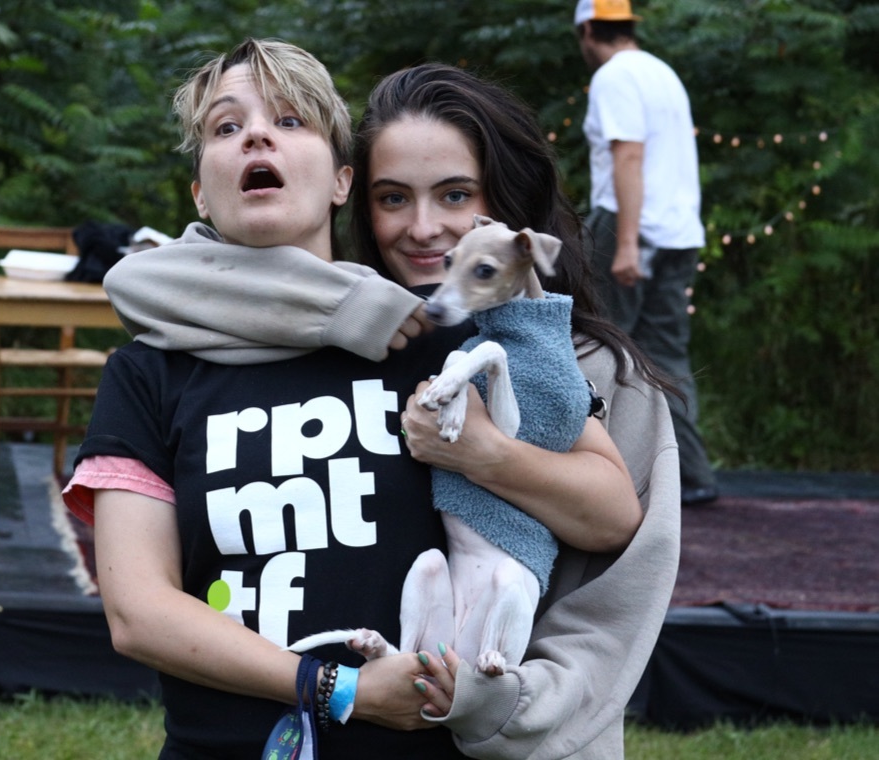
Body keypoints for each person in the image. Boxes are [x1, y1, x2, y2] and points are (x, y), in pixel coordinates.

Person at [63, 40, 644, 759]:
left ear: (343, 183)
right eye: (224, 127)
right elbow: (138, 612)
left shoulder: (438, 332)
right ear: (200, 194)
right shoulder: (147, 371)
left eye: (289, 119)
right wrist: (339, 688)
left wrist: (488, 452)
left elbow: (612, 511)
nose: (255, 135)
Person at [574, 0, 718, 506]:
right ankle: (691, 476)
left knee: (598, 344)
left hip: (631, 226)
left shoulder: (614, 76)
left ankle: (606, 476)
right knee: (664, 353)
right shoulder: (662, 71)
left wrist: (627, 242)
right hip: (678, 231)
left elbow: (628, 154)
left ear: (588, 29)